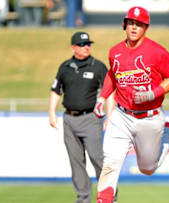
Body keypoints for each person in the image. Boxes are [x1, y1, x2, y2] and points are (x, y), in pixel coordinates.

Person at [93, 6, 169, 203]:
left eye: (139, 25)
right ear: (124, 25)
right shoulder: (115, 52)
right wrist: (102, 97)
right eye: (131, 23)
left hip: (150, 118)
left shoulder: (156, 52)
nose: (134, 28)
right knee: (110, 164)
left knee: (147, 168)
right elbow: (112, 75)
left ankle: (168, 134)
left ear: (145, 28)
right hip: (121, 116)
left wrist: (153, 93)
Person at [48, 31, 114, 203]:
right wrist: (51, 113)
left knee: (98, 159)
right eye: (82, 44)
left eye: (88, 44)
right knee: (76, 163)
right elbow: (56, 91)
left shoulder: (98, 66)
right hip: (69, 119)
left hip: (90, 118)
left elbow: (110, 92)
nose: (86, 47)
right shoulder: (65, 66)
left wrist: (109, 116)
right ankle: (83, 199)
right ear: (73, 47)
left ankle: (108, 197)